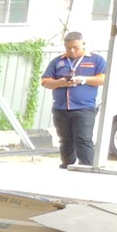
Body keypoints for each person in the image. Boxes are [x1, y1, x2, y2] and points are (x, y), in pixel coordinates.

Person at [42, 31, 105, 168]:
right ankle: (67, 166)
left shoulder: (95, 60)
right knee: (65, 140)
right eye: (68, 47)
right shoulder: (58, 61)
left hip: (84, 108)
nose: (72, 51)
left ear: (83, 44)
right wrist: (60, 83)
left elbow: (103, 79)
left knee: (83, 139)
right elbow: (45, 82)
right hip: (61, 108)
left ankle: (88, 168)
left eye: (75, 47)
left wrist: (84, 80)